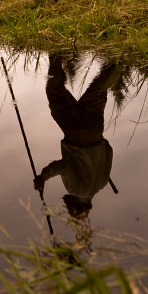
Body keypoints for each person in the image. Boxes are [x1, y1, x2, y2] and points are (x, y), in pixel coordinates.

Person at [33, 54, 120, 219]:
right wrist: (43, 177)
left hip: (96, 132)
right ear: (74, 202)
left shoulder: (101, 183)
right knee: (54, 92)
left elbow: (109, 150)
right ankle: (55, 53)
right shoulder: (75, 190)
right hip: (77, 136)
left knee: (98, 90)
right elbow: (64, 167)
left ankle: (118, 60)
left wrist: (96, 140)